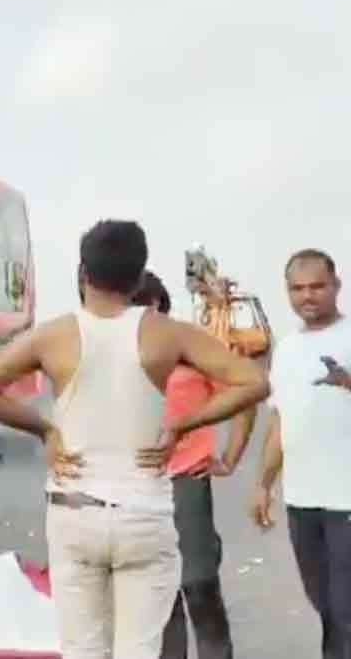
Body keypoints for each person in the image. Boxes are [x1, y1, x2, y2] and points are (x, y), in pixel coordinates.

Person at [0, 219, 269, 659]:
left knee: (83, 649)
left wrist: (45, 429)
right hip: (143, 513)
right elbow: (253, 383)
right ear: (138, 276)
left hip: (75, 512)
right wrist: (183, 425)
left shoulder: (55, 334)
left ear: (83, 273)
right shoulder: (168, 333)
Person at [132, 271, 257, 659]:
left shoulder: (192, 347)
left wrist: (230, 459)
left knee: (199, 584)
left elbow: (246, 394)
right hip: (135, 488)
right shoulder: (119, 354)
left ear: (155, 303)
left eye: (136, 305)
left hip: (187, 480)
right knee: (158, 593)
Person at [250, 249, 351, 659]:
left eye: (317, 286)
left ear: (336, 287)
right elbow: (279, 423)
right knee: (324, 605)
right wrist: (262, 484)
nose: (308, 296)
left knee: (346, 609)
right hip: (304, 501)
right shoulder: (287, 349)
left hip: (347, 500)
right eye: (298, 288)